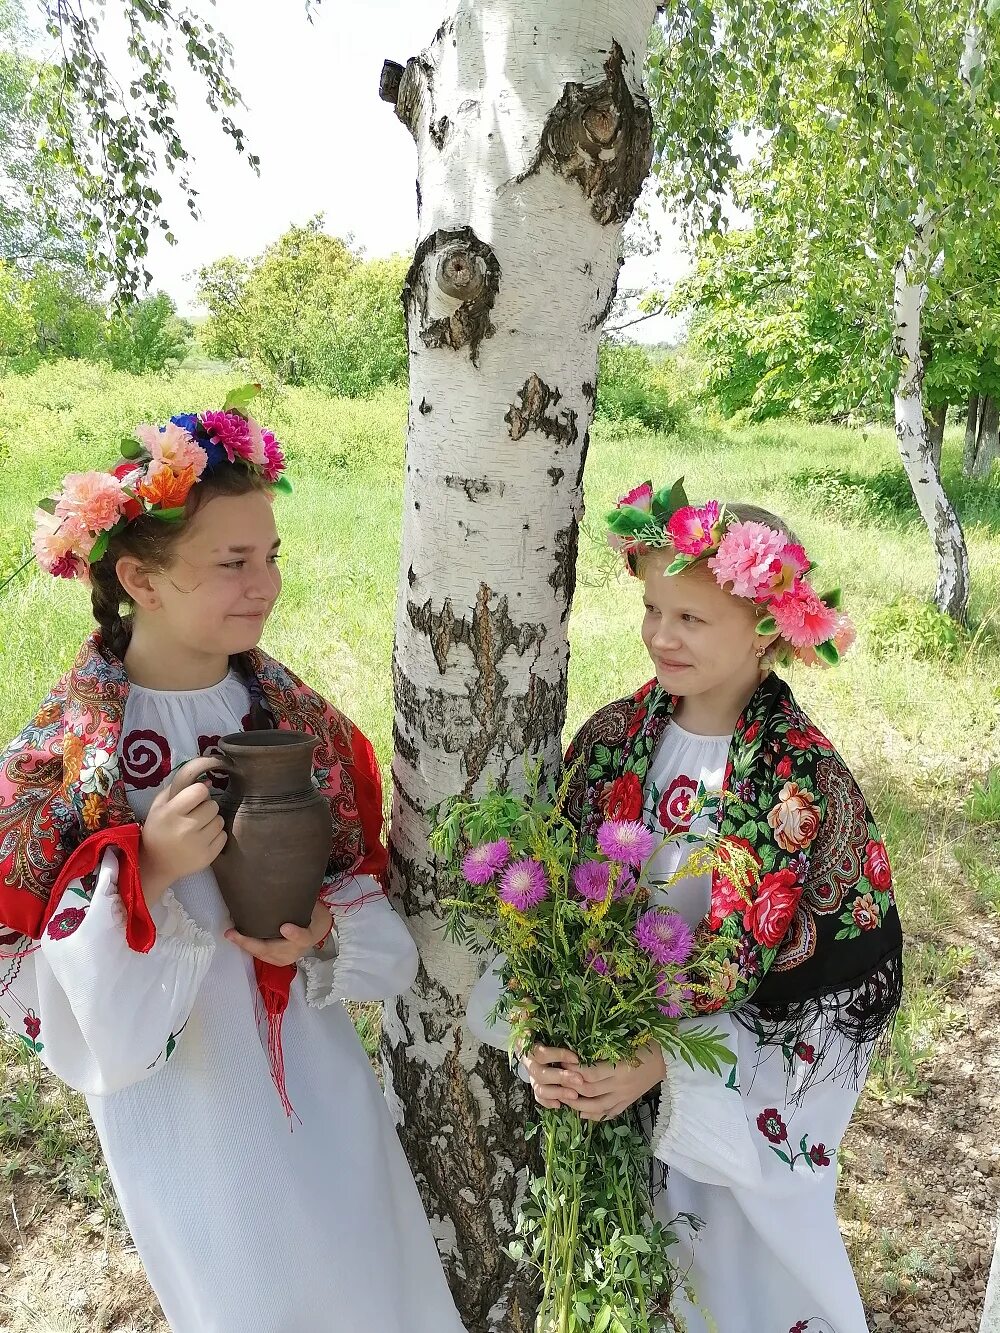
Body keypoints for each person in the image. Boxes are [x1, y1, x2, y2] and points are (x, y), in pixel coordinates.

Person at [0, 403, 464, 1333]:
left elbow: (358, 886)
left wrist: (329, 933)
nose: (267, 583)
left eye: (273, 555)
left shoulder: (296, 716)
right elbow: (31, 966)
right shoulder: (72, 749)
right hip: (185, 1092)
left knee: (364, 1265)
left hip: (315, 1066)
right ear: (141, 577)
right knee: (250, 1287)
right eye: (233, 562)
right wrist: (153, 866)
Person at [467, 481, 903, 1333]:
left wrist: (667, 1063)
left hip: (725, 1091)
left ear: (768, 628)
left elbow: (831, 986)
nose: (661, 635)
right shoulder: (613, 738)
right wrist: (542, 1032)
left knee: (732, 1279)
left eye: (692, 620)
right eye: (652, 607)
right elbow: (549, 899)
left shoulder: (797, 777)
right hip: (604, 1074)